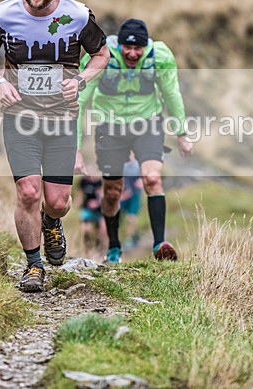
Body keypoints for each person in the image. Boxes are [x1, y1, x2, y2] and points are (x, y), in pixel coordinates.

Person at [0, 0, 109, 292]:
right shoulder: (3, 14)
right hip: (20, 118)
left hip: (62, 120)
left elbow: (101, 55)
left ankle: (51, 222)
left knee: (58, 202)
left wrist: (80, 81)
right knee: (28, 193)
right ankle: (34, 266)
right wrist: (0, 82)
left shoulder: (78, 16)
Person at [75, 18, 192, 264]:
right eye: (127, 48)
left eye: (137, 48)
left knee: (151, 178)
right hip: (110, 126)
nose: (132, 53)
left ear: (146, 46)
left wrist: (181, 133)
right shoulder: (101, 55)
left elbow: (172, 93)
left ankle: (160, 244)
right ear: (119, 45)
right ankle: (114, 247)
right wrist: (74, 146)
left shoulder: (159, 57)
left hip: (146, 123)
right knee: (112, 192)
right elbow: (81, 98)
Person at [78, 172, 106, 254]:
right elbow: (80, 193)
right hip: (87, 209)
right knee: (85, 229)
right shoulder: (84, 181)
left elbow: (102, 197)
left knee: (101, 231)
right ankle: (88, 247)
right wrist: (78, 200)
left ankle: (100, 249)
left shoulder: (99, 182)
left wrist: (97, 203)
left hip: (99, 211)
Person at [120, 154, 143, 250]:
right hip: (123, 195)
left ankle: (129, 240)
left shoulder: (139, 165)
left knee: (131, 218)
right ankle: (130, 237)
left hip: (135, 195)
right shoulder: (122, 165)